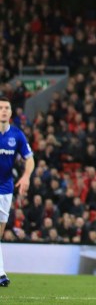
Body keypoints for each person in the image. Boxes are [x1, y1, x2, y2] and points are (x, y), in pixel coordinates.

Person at [0, 96, 33, 288]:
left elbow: (29, 158)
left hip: (5, 188)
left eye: (6, 108)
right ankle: (1, 274)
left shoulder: (17, 135)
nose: (3, 110)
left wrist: (27, 176)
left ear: (11, 112)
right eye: (1, 107)